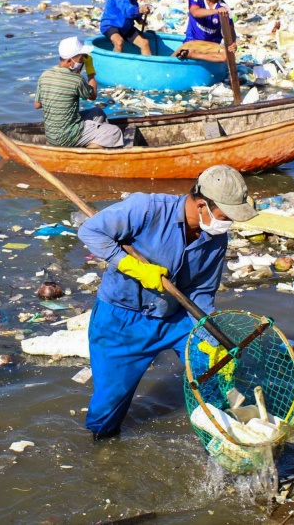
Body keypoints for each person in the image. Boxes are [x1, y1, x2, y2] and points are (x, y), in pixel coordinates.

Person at [76, 165, 258, 440]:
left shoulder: (216, 239)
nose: (229, 222)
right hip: (122, 319)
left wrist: (210, 336)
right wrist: (133, 267)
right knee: (108, 405)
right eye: (226, 215)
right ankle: (103, 454)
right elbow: (90, 232)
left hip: (177, 318)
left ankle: (219, 435)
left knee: (209, 368)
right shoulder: (146, 209)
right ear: (201, 205)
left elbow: (202, 292)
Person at [34, 37, 124, 149]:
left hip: (52, 136)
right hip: (67, 137)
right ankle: (89, 150)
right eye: (81, 60)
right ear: (69, 61)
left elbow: (37, 105)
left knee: (98, 112)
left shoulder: (45, 75)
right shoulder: (77, 80)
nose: (82, 63)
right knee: (114, 132)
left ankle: (93, 140)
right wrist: (90, 72)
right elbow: (93, 95)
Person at [172, 0, 238, 63]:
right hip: (192, 43)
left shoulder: (224, 7)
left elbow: (230, 29)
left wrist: (233, 43)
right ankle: (195, 55)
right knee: (174, 58)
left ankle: (193, 55)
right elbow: (195, 12)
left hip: (212, 46)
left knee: (226, 56)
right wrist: (216, 11)